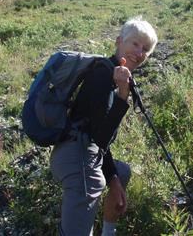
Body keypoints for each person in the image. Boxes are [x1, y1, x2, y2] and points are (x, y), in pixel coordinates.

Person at [50, 16, 158, 236]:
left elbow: (96, 137)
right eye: (135, 44)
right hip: (77, 157)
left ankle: (108, 232)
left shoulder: (110, 71)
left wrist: (114, 179)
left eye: (146, 49)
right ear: (119, 41)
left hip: (80, 150)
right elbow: (100, 137)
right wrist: (122, 95)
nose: (139, 52)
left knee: (122, 172)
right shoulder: (102, 74)